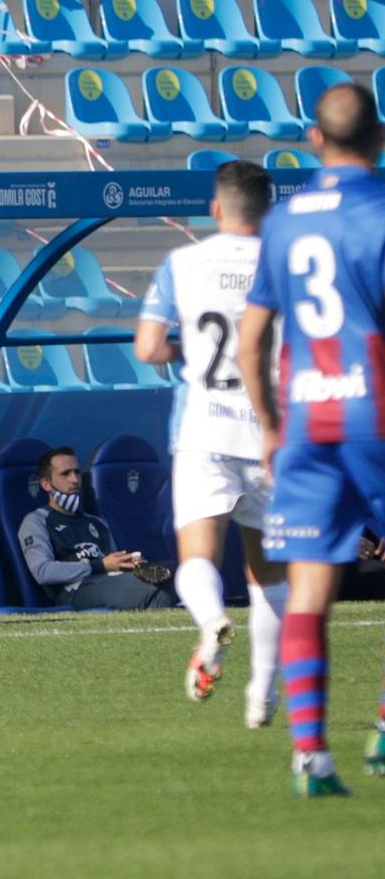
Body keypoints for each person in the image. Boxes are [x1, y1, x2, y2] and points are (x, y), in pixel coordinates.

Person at [238, 82, 385, 796]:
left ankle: (310, 754)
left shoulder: (286, 221)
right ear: (380, 138)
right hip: (378, 416)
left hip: (307, 422)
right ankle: (384, 729)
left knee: (310, 589)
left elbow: (252, 337)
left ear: (314, 140)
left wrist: (269, 425)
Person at [135, 161, 287, 725]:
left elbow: (149, 347)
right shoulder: (284, 263)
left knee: (196, 556)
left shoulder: (183, 262)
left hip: (202, 431)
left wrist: (184, 353)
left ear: (216, 209)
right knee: (269, 573)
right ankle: (261, 698)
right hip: (267, 431)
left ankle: (210, 621)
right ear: (268, 211)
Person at [17, 447, 177, 611]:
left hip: (109, 580)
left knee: (177, 579)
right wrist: (99, 566)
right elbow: (42, 572)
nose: (74, 479)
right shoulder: (36, 521)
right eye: (65, 474)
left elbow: (110, 562)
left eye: (77, 472)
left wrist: (128, 564)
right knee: (153, 594)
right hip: (74, 590)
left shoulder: (96, 522)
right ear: (45, 484)